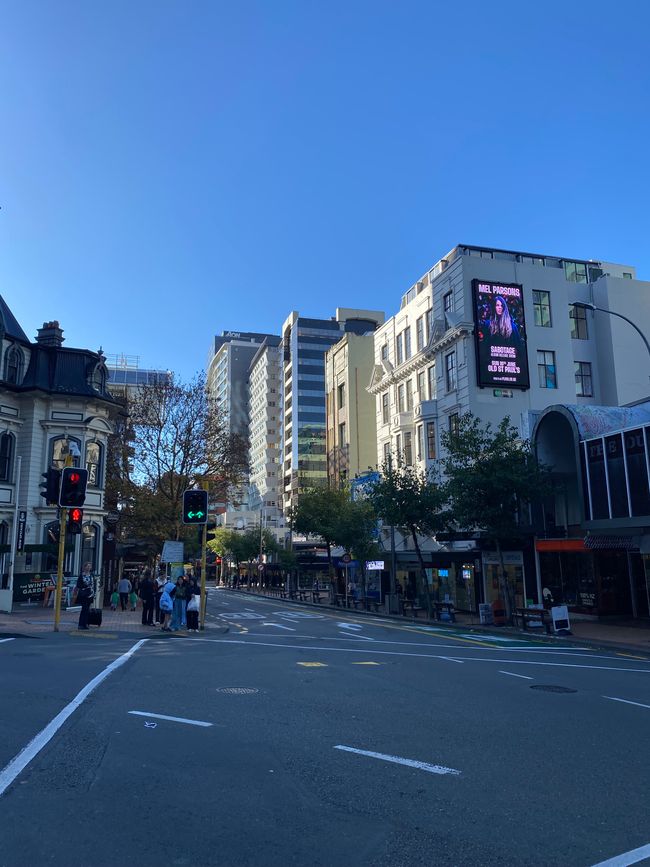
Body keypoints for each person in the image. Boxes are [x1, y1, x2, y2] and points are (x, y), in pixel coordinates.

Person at [75, 562, 94, 630]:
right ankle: (81, 624)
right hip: (84, 594)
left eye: (90, 566)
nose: (89, 568)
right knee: (84, 609)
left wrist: (93, 593)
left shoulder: (91, 575)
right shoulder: (81, 575)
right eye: (87, 566)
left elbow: (93, 584)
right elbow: (78, 585)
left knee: (87, 610)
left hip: (90, 594)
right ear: (85, 567)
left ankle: (85, 624)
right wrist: (85, 586)